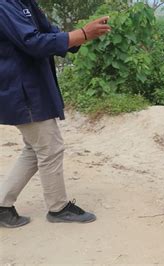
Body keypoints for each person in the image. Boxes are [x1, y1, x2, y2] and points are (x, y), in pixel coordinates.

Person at [0, 0, 111, 228]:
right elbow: (32, 42)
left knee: (35, 148)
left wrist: (82, 37)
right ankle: (58, 208)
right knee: (50, 147)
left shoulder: (24, 2)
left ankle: (2, 206)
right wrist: (81, 33)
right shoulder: (5, 4)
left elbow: (46, 30)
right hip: (23, 88)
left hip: (30, 86)